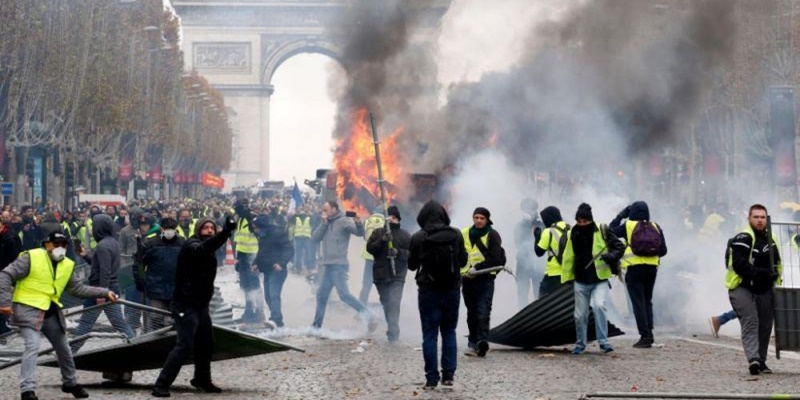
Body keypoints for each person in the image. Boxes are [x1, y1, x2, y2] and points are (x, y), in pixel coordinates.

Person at [0, 232, 119, 400]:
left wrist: (105, 292)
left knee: (64, 349)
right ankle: (28, 390)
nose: (60, 248)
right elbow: (5, 275)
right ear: (47, 245)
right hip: (27, 310)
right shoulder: (31, 257)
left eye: (63, 245)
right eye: (56, 244)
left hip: (51, 311)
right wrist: (4, 302)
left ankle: (70, 383)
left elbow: (78, 289)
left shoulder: (67, 264)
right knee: (32, 346)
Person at [151, 217, 237, 397]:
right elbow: (204, 249)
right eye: (205, 228)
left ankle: (202, 379)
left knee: (206, 343)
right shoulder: (192, 245)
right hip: (185, 304)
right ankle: (161, 385)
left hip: (200, 304)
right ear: (198, 230)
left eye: (212, 228)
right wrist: (225, 232)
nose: (209, 230)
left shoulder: (209, 248)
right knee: (185, 344)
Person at [408, 201, 468, 389]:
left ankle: (431, 378)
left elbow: (411, 265)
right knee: (449, 332)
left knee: (430, 335)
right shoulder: (456, 234)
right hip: (451, 290)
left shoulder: (418, 237)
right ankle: (449, 375)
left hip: (428, 291)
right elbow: (463, 261)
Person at [560, 203, 624, 355]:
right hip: (580, 280)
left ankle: (603, 342)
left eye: (585, 221)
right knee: (580, 315)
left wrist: (611, 257)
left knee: (598, 306)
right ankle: (580, 344)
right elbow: (567, 256)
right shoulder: (571, 233)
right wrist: (567, 277)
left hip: (599, 279)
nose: (582, 224)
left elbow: (619, 247)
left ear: (590, 220)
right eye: (579, 221)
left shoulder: (602, 230)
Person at [726, 204, 782, 375]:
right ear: (749, 218)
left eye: (762, 217)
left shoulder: (772, 239)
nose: (759, 220)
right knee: (751, 321)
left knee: (765, 326)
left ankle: (762, 361)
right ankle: (754, 360)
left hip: (764, 288)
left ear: (767, 219)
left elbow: (778, 264)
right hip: (741, 286)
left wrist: (774, 278)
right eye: (756, 217)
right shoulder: (743, 237)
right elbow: (740, 266)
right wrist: (764, 273)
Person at [71, 214, 135, 354]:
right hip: (110, 288)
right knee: (118, 322)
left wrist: (102, 292)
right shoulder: (113, 242)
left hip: (99, 290)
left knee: (86, 323)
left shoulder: (102, 245)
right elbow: (98, 265)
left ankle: (69, 353)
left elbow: (105, 271)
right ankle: (133, 342)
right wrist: (85, 256)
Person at [609, 201, 667, 348]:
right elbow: (663, 250)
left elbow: (610, 231)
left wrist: (621, 215)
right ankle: (650, 333)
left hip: (634, 268)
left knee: (638, 303)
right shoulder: (656, 226)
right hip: (652, 268)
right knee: (647, 301)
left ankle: (645, 336)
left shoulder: (628, 225)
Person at [310, 200, 375, 331]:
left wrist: (358, 222)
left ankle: (369, 316)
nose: (324, 213)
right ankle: (316, 327)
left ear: (334, 209)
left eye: (326, 210)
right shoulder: (325, 223)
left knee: (344, 295)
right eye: (323, 210)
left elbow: (359, 233)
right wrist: (323, 224)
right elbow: (314, 238)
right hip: (328, 265)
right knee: (321, 295)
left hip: (339, 265)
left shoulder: (344, 221)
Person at [461, 207, 506, 357]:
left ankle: (481, 341)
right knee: (471, 312)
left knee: (483, 311)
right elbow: (458, 255)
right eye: (476, 218)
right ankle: (472, 341)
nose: (479, 221)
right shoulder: (464, 233)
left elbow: (495, 258)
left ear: (487, 220)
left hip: (485, 280)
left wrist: (478, 268)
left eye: (482, 218)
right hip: (468, 280)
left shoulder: (492, 235)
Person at [366, 205, 411, 342]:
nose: (391, 220)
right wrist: (382, 241)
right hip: (381, 274)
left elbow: (412, 254)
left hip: (398, 274)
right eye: (389, 217)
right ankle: (391, 326)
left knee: (394, 301)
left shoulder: (405, 235)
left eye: (394, 218)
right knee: (386, 302)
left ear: (398, 219)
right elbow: (370, 249)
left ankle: (393, 331)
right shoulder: (378, 233)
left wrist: (399, 253)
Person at [137, 217, 185, 332]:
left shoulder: (182, 243)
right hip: (156, 289)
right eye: (167, 228)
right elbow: (139, 263)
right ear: (162, 229)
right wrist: (140, 279)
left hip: (176, 289)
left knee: (176, 319)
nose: (170, 231)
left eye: (172, 228)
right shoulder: (151, 243)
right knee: (156, 319)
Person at [253, 214, 294, 328]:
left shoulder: (278, 233)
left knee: (274, 295)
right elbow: (261, 252)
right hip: (267, 270)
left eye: (256, 227)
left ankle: (275, 320)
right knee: (268, 296)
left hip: (277, 270)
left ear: (262, 227)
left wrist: (281, 263)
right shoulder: (263, 236)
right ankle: (277, 321)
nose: (255, 230)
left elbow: (289, 249)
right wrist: (255, 263)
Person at [233, 199, 262, 324]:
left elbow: (260, 235)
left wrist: (250, 216)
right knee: (245, 286)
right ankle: (249, 313)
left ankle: (260, 314)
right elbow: (239, 239)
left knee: (254, 286)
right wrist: (238, 259)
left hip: (253, 256)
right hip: (243, 257)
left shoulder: (252, 217)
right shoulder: (240, 219)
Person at [514, 198, 544, 308]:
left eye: (531, 209)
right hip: (523, 263)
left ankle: (539, 315)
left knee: (539, 294)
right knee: (522, 293)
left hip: (539, 264)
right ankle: (523, 316)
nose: (529, 211)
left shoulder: (542, 225)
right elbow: (518, 243)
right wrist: (526, 224)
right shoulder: (519, 226)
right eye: (526, 209)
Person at [534, 206, 569, 297]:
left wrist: (537, 237)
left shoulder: (548, 231)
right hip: (570, 273)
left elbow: (539, 252)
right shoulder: (571, 229)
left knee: (543, 301)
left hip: (553, 273)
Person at [0, 214, 22, 335]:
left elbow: (14, 259)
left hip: (6, 273)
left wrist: (13, 279)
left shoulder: (11, 238)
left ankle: (3, 326)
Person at [359, 208, 386, 304]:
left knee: (366, 284)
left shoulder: (367, 221)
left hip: (369, 256)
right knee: (383, 284)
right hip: (381, 258)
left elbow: (363, 235)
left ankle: (361, 308)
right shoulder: (386, 222)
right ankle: (386, 310)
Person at [290, 206, 315, 274]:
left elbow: (313, 225)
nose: (302, 211)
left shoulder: (309, 217)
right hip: (299, 238)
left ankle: (307, 268)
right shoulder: (296, 217)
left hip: (305, 238)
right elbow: (290, 221)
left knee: (306, 253)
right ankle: (300, 268)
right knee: (300, 254)